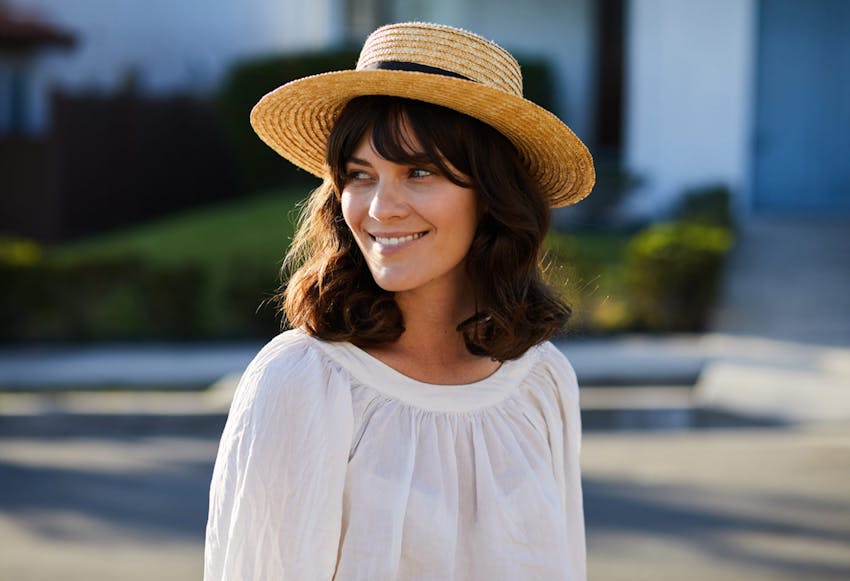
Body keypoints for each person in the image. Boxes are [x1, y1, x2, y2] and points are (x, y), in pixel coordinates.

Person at [204, 22, 595, 581]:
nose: (381, 208)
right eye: (359, 175)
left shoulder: (544, 383)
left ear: (491, 196)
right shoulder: (303, 382)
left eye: (418, 172)